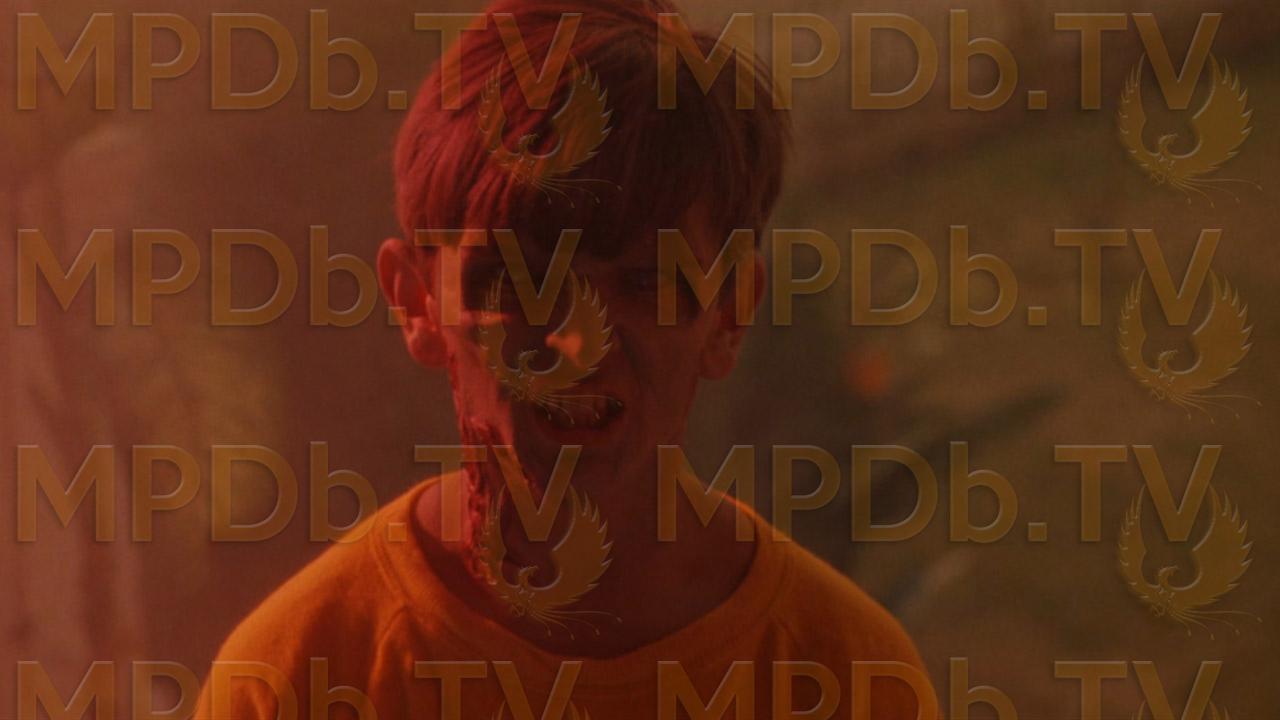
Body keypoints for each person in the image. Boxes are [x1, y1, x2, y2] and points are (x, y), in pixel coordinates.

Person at [197, 0, 937, 717]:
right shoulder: (298, 678)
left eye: (644, 284)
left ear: (729, 312)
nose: (576, 344)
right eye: (520, 282)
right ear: (417, 301)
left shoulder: (849, 680)